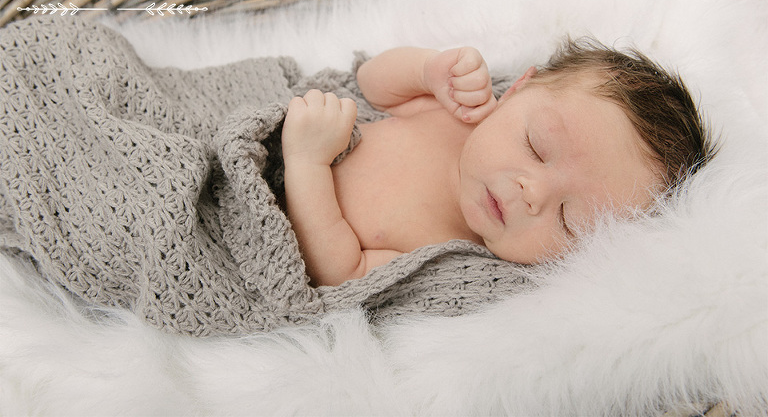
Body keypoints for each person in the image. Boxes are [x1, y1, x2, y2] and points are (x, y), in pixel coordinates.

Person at [281, 38, 717, 286]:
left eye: (570, 221)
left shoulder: (453, 262)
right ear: (518, 89)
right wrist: (427, 71)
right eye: (537, 146)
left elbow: (338, 272)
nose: (533, 193)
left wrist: (306, 163)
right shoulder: (463, 114)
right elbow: (371, 86)